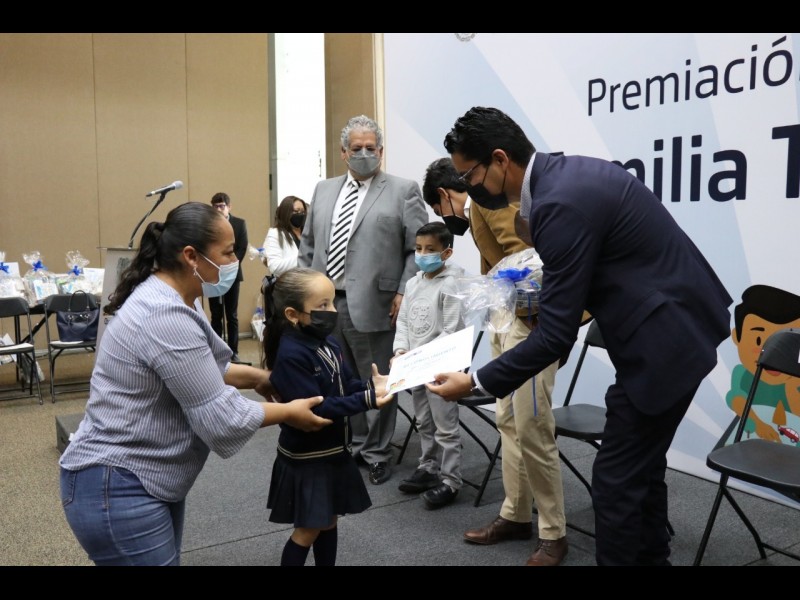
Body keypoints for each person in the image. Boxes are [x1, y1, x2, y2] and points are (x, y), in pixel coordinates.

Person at [428, 106, 733, 566]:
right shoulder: (563, 178)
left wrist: (474, 383)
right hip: (670, 326)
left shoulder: (557, 204)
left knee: (615, 481)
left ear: (500, 159)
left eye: (470, 175)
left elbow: (555, 334)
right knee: (640, 470)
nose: (469, 187)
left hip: (666, 340)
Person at [58, 202, 331, 566]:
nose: (235, 260)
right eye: (228, 252)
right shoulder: (164, 314)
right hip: (117, 483)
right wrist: (290, 412)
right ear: (191, 256)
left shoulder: (181, 297)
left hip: (140, 478)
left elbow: (202, 366)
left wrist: (260, 377)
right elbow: (221, 417)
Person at [422, 157, 569, 566]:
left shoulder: (490, 201)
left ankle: (553, 533)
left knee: (532, 425)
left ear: (443, 195)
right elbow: (502, 263)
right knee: (507, 420)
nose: (444, 218)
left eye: (438, 210)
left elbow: (537, 256)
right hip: (506, 317)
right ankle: (516, 514)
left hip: (531, 322)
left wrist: (540, 323)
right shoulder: (480, 208)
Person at [299, 114, 428, 485]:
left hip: (377, 300)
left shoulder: (403, 190)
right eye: (357, 148)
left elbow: (417, 248)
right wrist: (303, 290)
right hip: (325, 304)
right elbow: (308, 245)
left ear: (382, 151)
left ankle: (377, 452)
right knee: (338, 377)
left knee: (378, 378)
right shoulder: (324, 190)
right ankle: (353, 444)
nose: (364, 153)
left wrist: (403, 290)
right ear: (343, 152)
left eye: (371, 147)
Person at [262, 267, 395, 566]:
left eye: (332, 302)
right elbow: (316, 409)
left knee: (329, 520)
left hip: (333, 451)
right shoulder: (291, 354)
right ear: (293, 314)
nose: (333, 311)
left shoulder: (328, 342)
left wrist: (371, 387)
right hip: (310, 459)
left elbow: (346, 385)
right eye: (323, 305)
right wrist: (367, 400)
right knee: (309, 529)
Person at [393, 222, 465, 509]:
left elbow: (452, 329)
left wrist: (423, 359)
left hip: (442, 369)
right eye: (419, 249)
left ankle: (451, 480)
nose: (423, 255)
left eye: (430, 249)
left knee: (445, 426)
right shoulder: (413, 283)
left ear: (446, 253)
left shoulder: (452, 284)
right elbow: (403, 322)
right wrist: (401, 351)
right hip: (416, 367)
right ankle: (428, 467)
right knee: (423, 420)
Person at [209, 192, 248, 363]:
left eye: (222, 206)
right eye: (215, 206)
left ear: (229, 207)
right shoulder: (208, 225)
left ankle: (233, 351)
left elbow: (242, 248)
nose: (219, 209)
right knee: (216, 314)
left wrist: (228, 266)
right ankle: (216, 350)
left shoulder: (239, 224)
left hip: (232, 273)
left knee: (231, 315)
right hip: (212, 274)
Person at [262, 195, 308, 278]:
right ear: (286, 213)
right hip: (290, 282)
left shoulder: (308, 233)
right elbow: (274, 267)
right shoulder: (275, 233)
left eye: (302, 212)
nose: (300, 214)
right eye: (296, 211)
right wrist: (303, 257)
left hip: (310, 281)